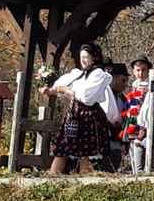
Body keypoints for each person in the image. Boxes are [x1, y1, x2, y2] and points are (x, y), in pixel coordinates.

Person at [43, 43, 117, 176]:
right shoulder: (79, 74)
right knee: (63, 147)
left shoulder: (98, 74)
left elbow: (85, 97)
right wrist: (51, 90)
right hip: (74, 114)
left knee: (85, 152)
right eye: (81, 57)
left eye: (86, 57)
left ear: (94, 57)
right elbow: (63, 87)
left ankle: (83, 178)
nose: (83, 60)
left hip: (88, 116)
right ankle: (53, 175)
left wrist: (65, 90)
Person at [98, 63, 131, 172]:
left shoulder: (123, 99)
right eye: (123, 80)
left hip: (117, 142)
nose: (125, 84)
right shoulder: (101, 95)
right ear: (113, 78)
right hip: (102, 142)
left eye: (126, 81)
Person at [125, 57, 153, 173]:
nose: (140, 73)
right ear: (133, 71)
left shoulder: (149, 86)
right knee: (131, 144)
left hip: (143, 120)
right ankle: (134, 171)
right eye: (138, 70)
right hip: (132, 119)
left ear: (148, 71)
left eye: (143, 70)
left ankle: (140, 172)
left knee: (139, 144)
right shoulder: (133, 85)